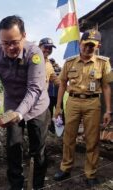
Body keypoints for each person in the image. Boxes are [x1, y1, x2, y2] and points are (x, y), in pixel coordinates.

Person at [0, 15, 49, 190]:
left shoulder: (35, 54)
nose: (10, 48)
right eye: (5, 43)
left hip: (37, 107)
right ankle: (16, 185)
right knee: (13, 147)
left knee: (38, 150)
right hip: (12, 104)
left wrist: (19, 114)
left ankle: (37, 185)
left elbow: (35, 89)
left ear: (24, 36)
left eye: (14, 42)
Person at [53, 29, 112, 187]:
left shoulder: (103, 63)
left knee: (92, 140)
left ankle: (90, 173)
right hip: (72, 102)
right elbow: (62, 85)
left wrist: (108, 111)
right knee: (69, 137)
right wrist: (58, 106)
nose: (88, 49)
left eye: (92, 46)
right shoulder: (69, 62)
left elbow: (106, 87)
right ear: (80, 44)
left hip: (93, 104)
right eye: (85, 45)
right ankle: (65, 167)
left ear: (97, 46)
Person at [39, 38, 61, 134]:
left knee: (43, 121)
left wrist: (69, 89)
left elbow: (54, 78)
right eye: (46, 47)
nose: (48, 50)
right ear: (40, 46)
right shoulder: (30, 57)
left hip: (43, 99)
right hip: (29, 98)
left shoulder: (48, 63)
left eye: (50, 48)